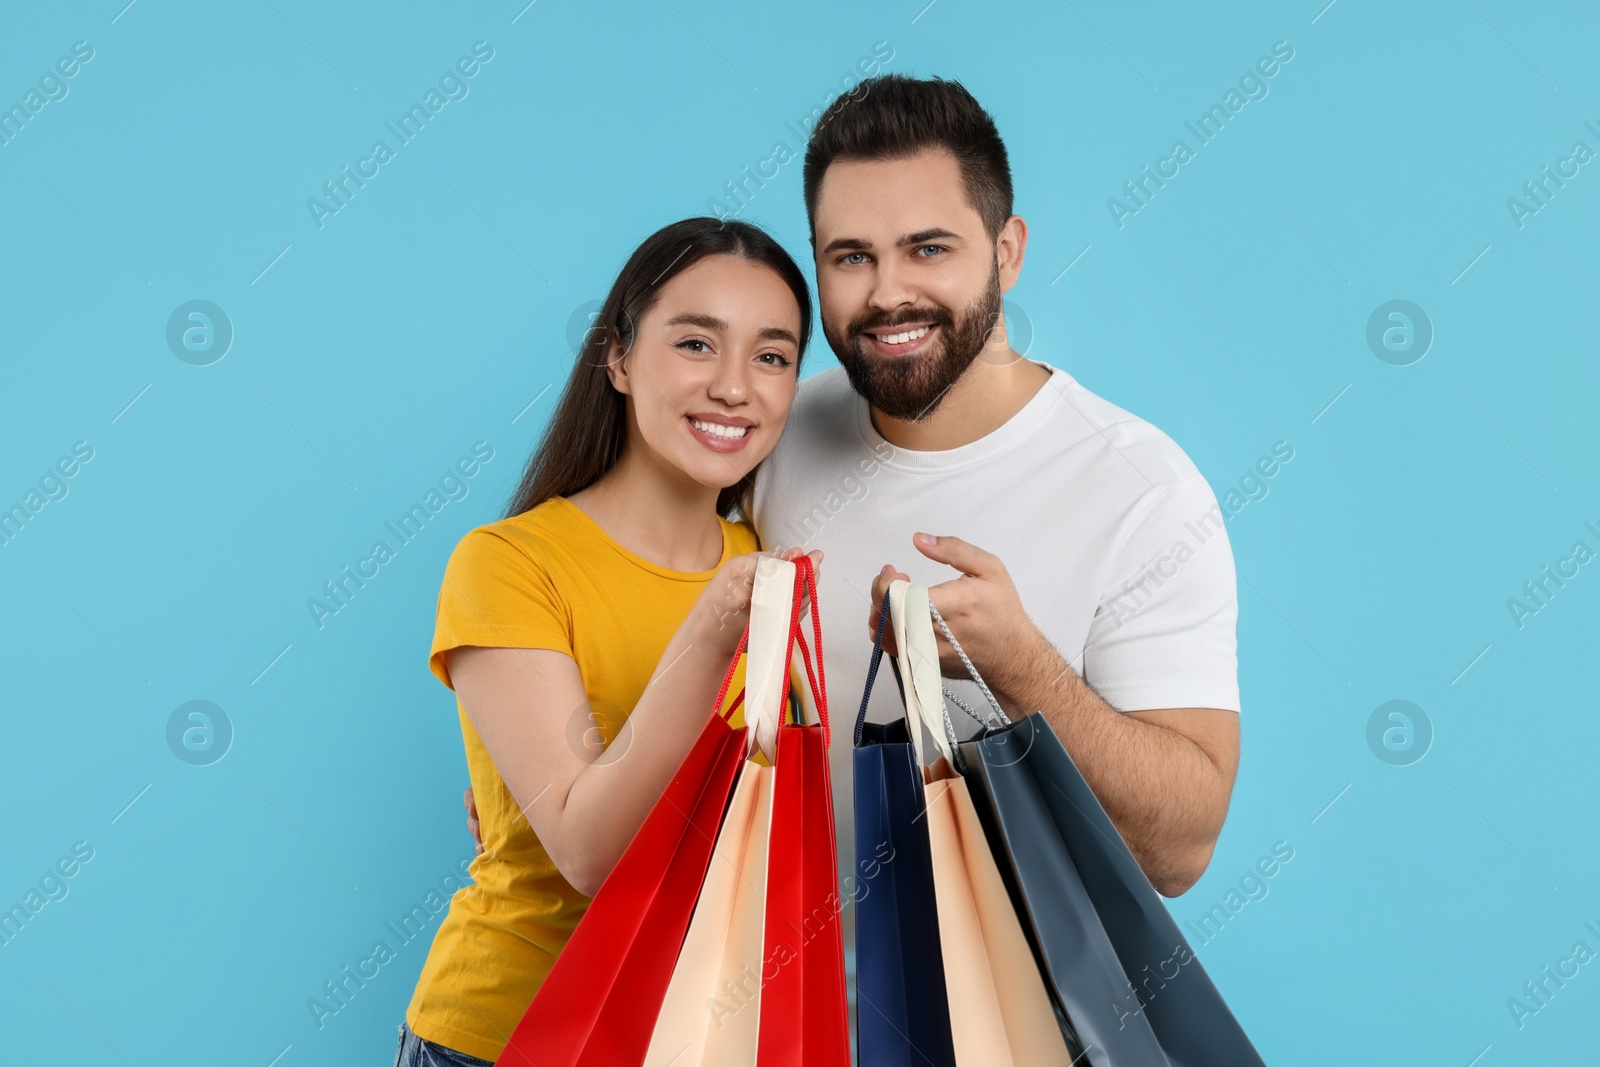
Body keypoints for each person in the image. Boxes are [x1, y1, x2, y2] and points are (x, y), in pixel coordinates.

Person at [759, 74, 1242, 904]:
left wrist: (1024, 671)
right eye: (851, 257)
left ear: (1008, 251)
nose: (887, 293)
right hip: (769, 1026)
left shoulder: (1141, 490)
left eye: (929, 248)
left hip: (1021, 1030)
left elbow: (1182, 849)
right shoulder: (770, 432)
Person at [397, 216, 821, 1066]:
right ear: (619, 358)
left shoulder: (767, 569)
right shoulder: (509, 564)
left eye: (772, 356)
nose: (736, 387)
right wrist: (708, 631)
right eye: (697, 343)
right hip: (510, 1035)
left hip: (694, 1039)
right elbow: (589, 852)